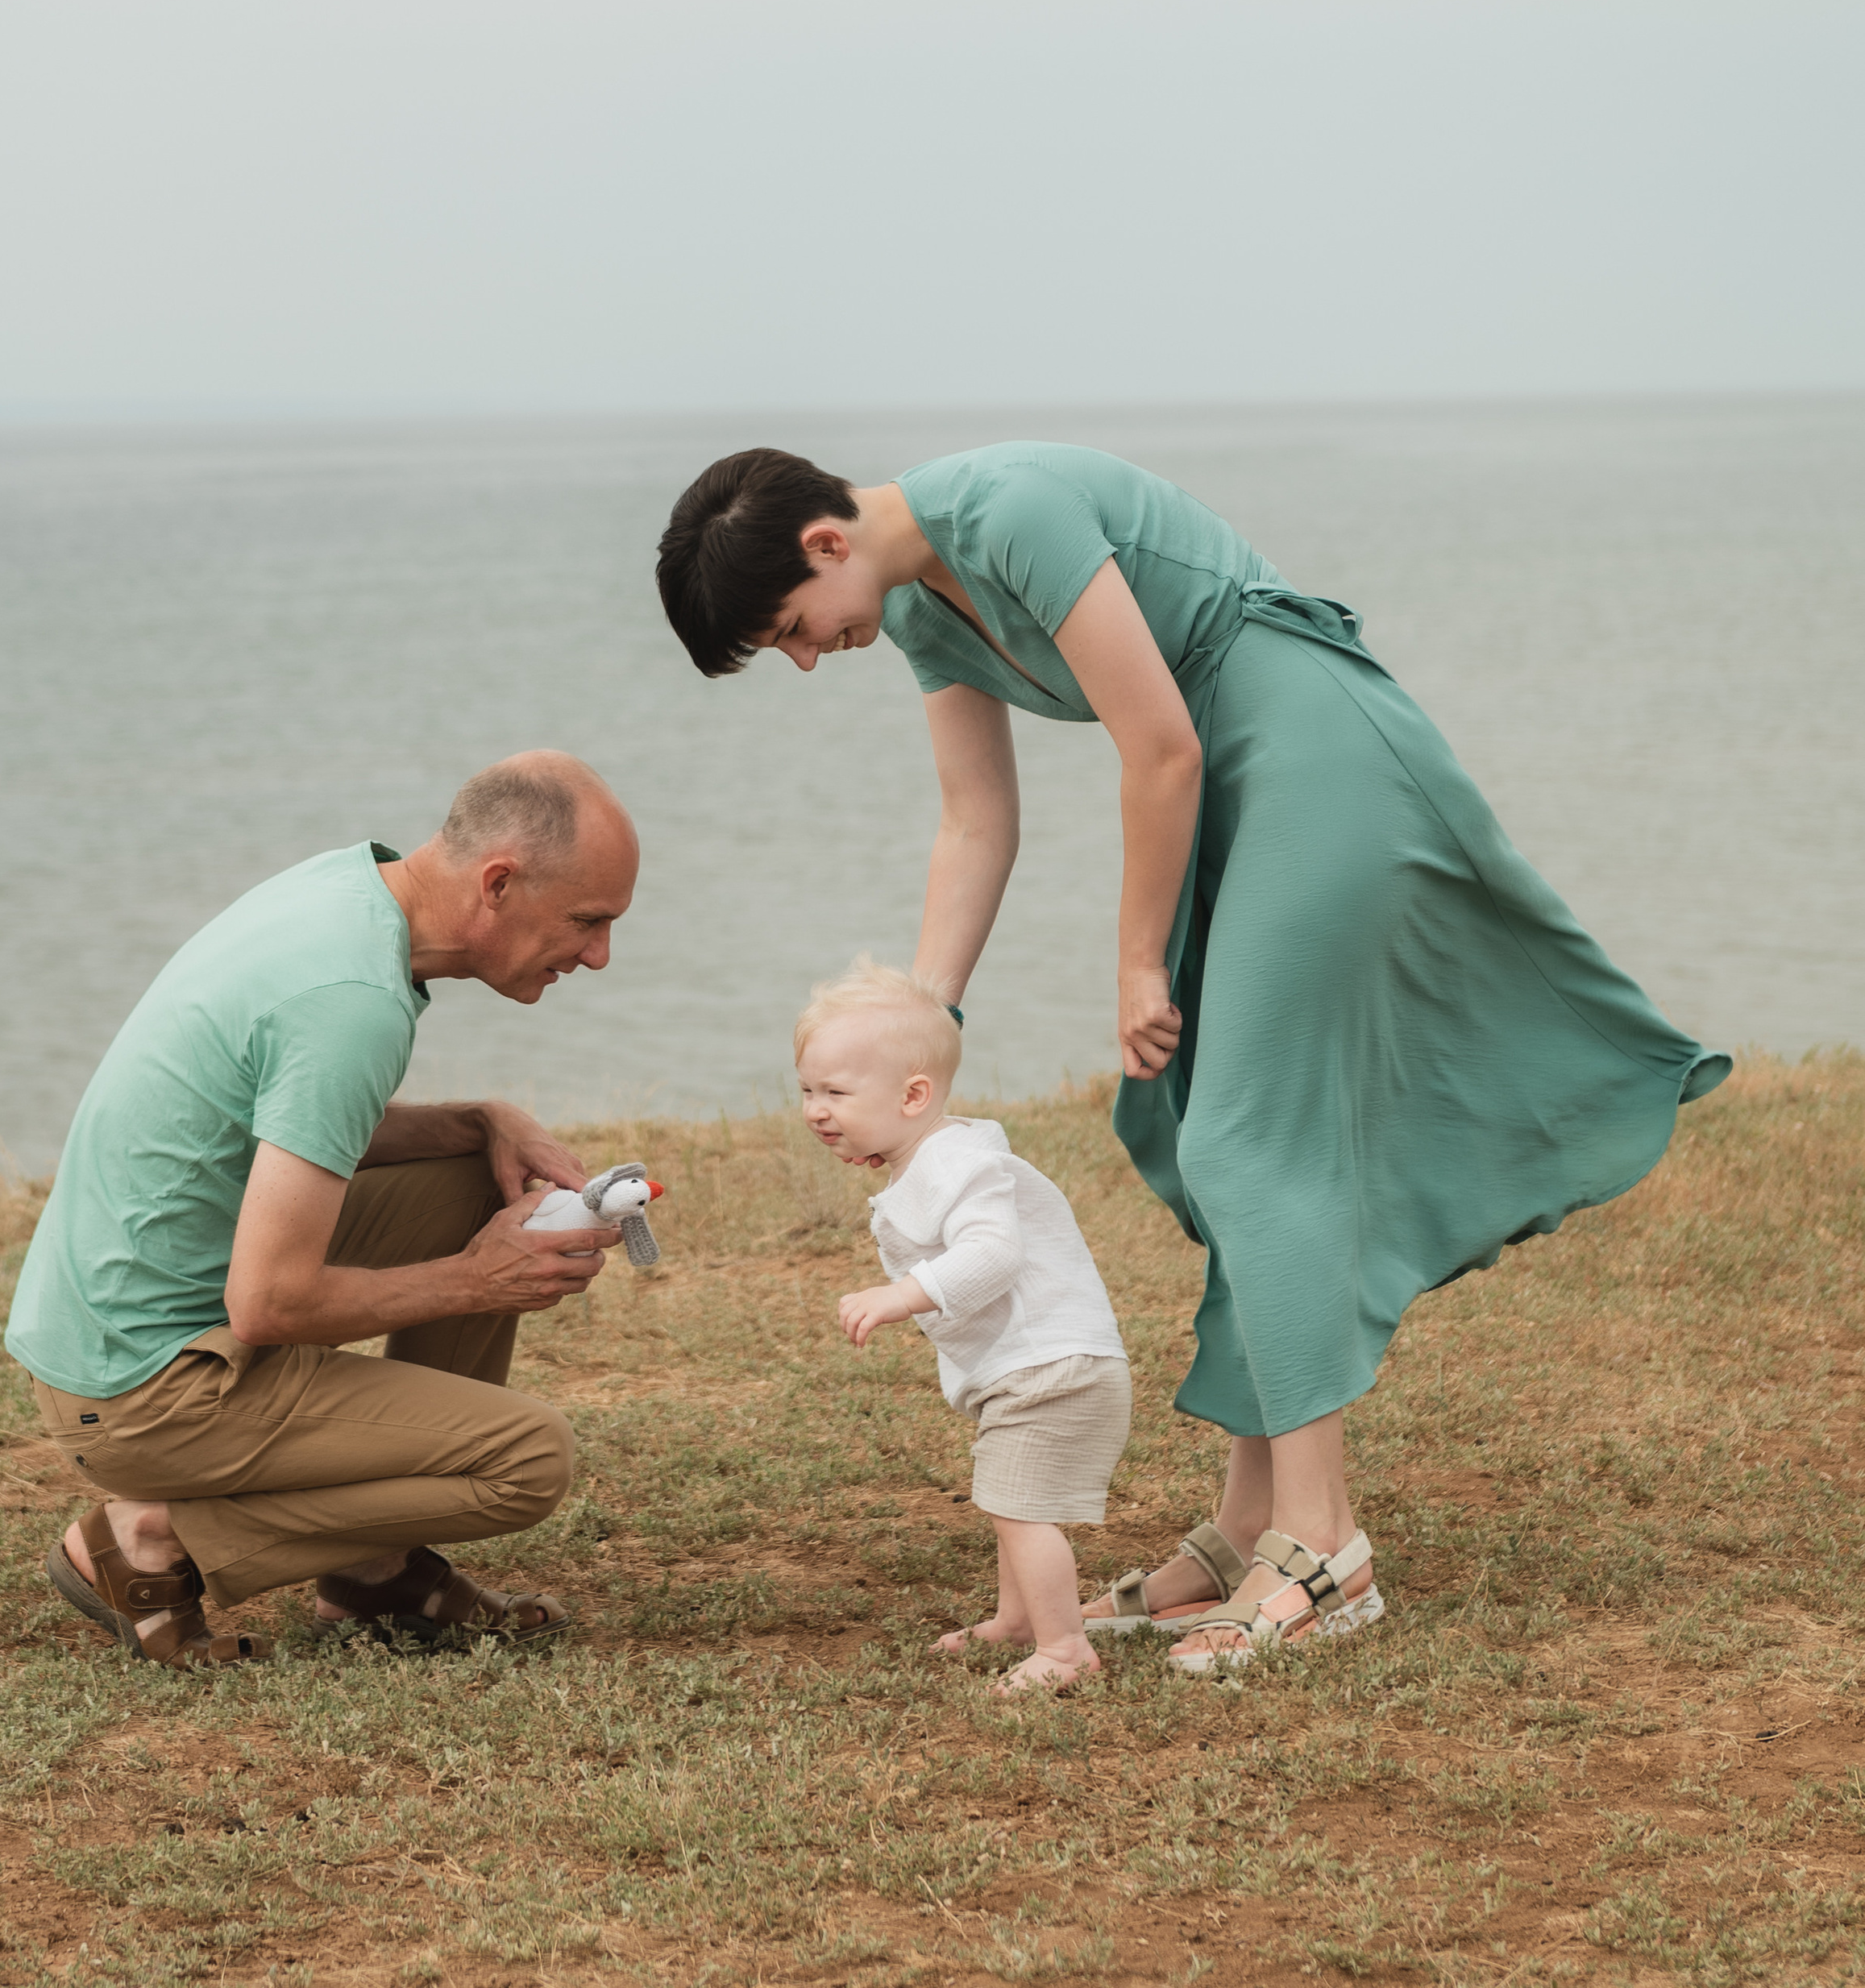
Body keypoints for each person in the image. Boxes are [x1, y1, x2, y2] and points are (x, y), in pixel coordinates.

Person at [661, 444, 1728, 1676]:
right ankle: (1243, 1528)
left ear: (825, 544)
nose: (804, 659)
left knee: (1245, 1133)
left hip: (1311, 750)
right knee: (1184, 1123)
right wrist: (920, 1024)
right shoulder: (910, 604)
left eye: (791, 630)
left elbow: (1159, 744)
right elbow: (976, 818)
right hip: (1226, 783)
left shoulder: (1012, 511)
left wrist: (1135, 964)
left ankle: (1324, 1545)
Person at [6, 750, 638, 1671]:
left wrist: (478, 1121)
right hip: (143, 1389)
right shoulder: (354, 1004)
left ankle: (375, 1575)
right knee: (528, 1462)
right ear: (499, 882)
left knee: (475, 1176)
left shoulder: (347, 892)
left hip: (114, 1326)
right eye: (587, 921)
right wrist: (478, 1280)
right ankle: (151, 1539)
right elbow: (271, 1304)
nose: (598, 955)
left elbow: (284, 1112)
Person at [801, 960, 1132, 1697]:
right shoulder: (927, 1155)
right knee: (1005, 1498)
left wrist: (903, 1295)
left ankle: (1064, 1646)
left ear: (913, 1095)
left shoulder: (958, 1162)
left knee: (1020, 1509)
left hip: (1052, 1367)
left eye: (836, 1093)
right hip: (1031, 1366)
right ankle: (1020, 1622)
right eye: (808, 1090)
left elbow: (995, 1254)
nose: (816, 1110)